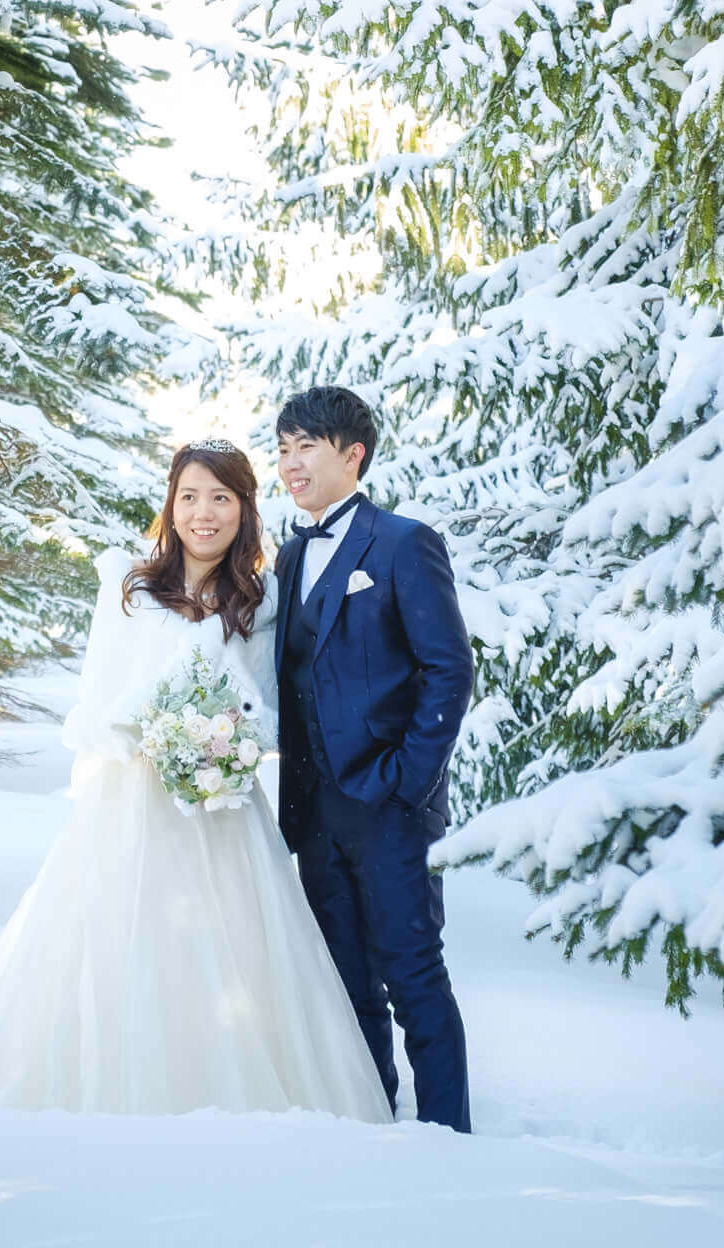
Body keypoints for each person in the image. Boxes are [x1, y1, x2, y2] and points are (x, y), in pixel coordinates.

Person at [0, 439, 391, 1119]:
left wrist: (221, 744)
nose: (205, 513)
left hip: (223, 810)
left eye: (222, 498)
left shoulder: (258, 597)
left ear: (244, 509)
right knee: (122, 945)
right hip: (133, 804)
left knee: (237, 956)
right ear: (170, 505)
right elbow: (96, 703)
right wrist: (157, 734)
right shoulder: (130, 588)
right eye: (190, 496)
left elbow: (264, 705)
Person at [271, 384, 474, 1131]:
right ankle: (373, 1129)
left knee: (413, 977)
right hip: (314, 813)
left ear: (351, 455)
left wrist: (407, 781)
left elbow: (449, 669)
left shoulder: (402, 543)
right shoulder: (289, 556)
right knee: (347, 984)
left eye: (306, 448)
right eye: (283, 449)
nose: (290, 464)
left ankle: (451, 1135)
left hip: (390, 809)